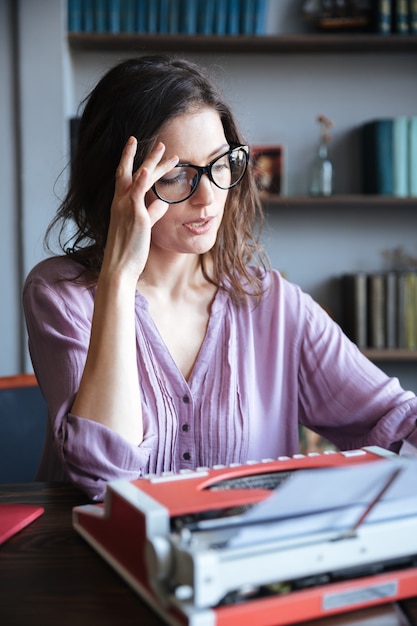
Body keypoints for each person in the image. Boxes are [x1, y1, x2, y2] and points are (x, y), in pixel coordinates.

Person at [23, 55, 417, 502]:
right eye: (176, 175)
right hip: (93, 562)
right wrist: (118, 277)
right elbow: (100, 474)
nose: (209, 197)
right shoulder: (60, 294)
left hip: (241, 566)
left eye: (220, 164)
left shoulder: (273, 305)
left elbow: (395, 420)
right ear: (116, 183)